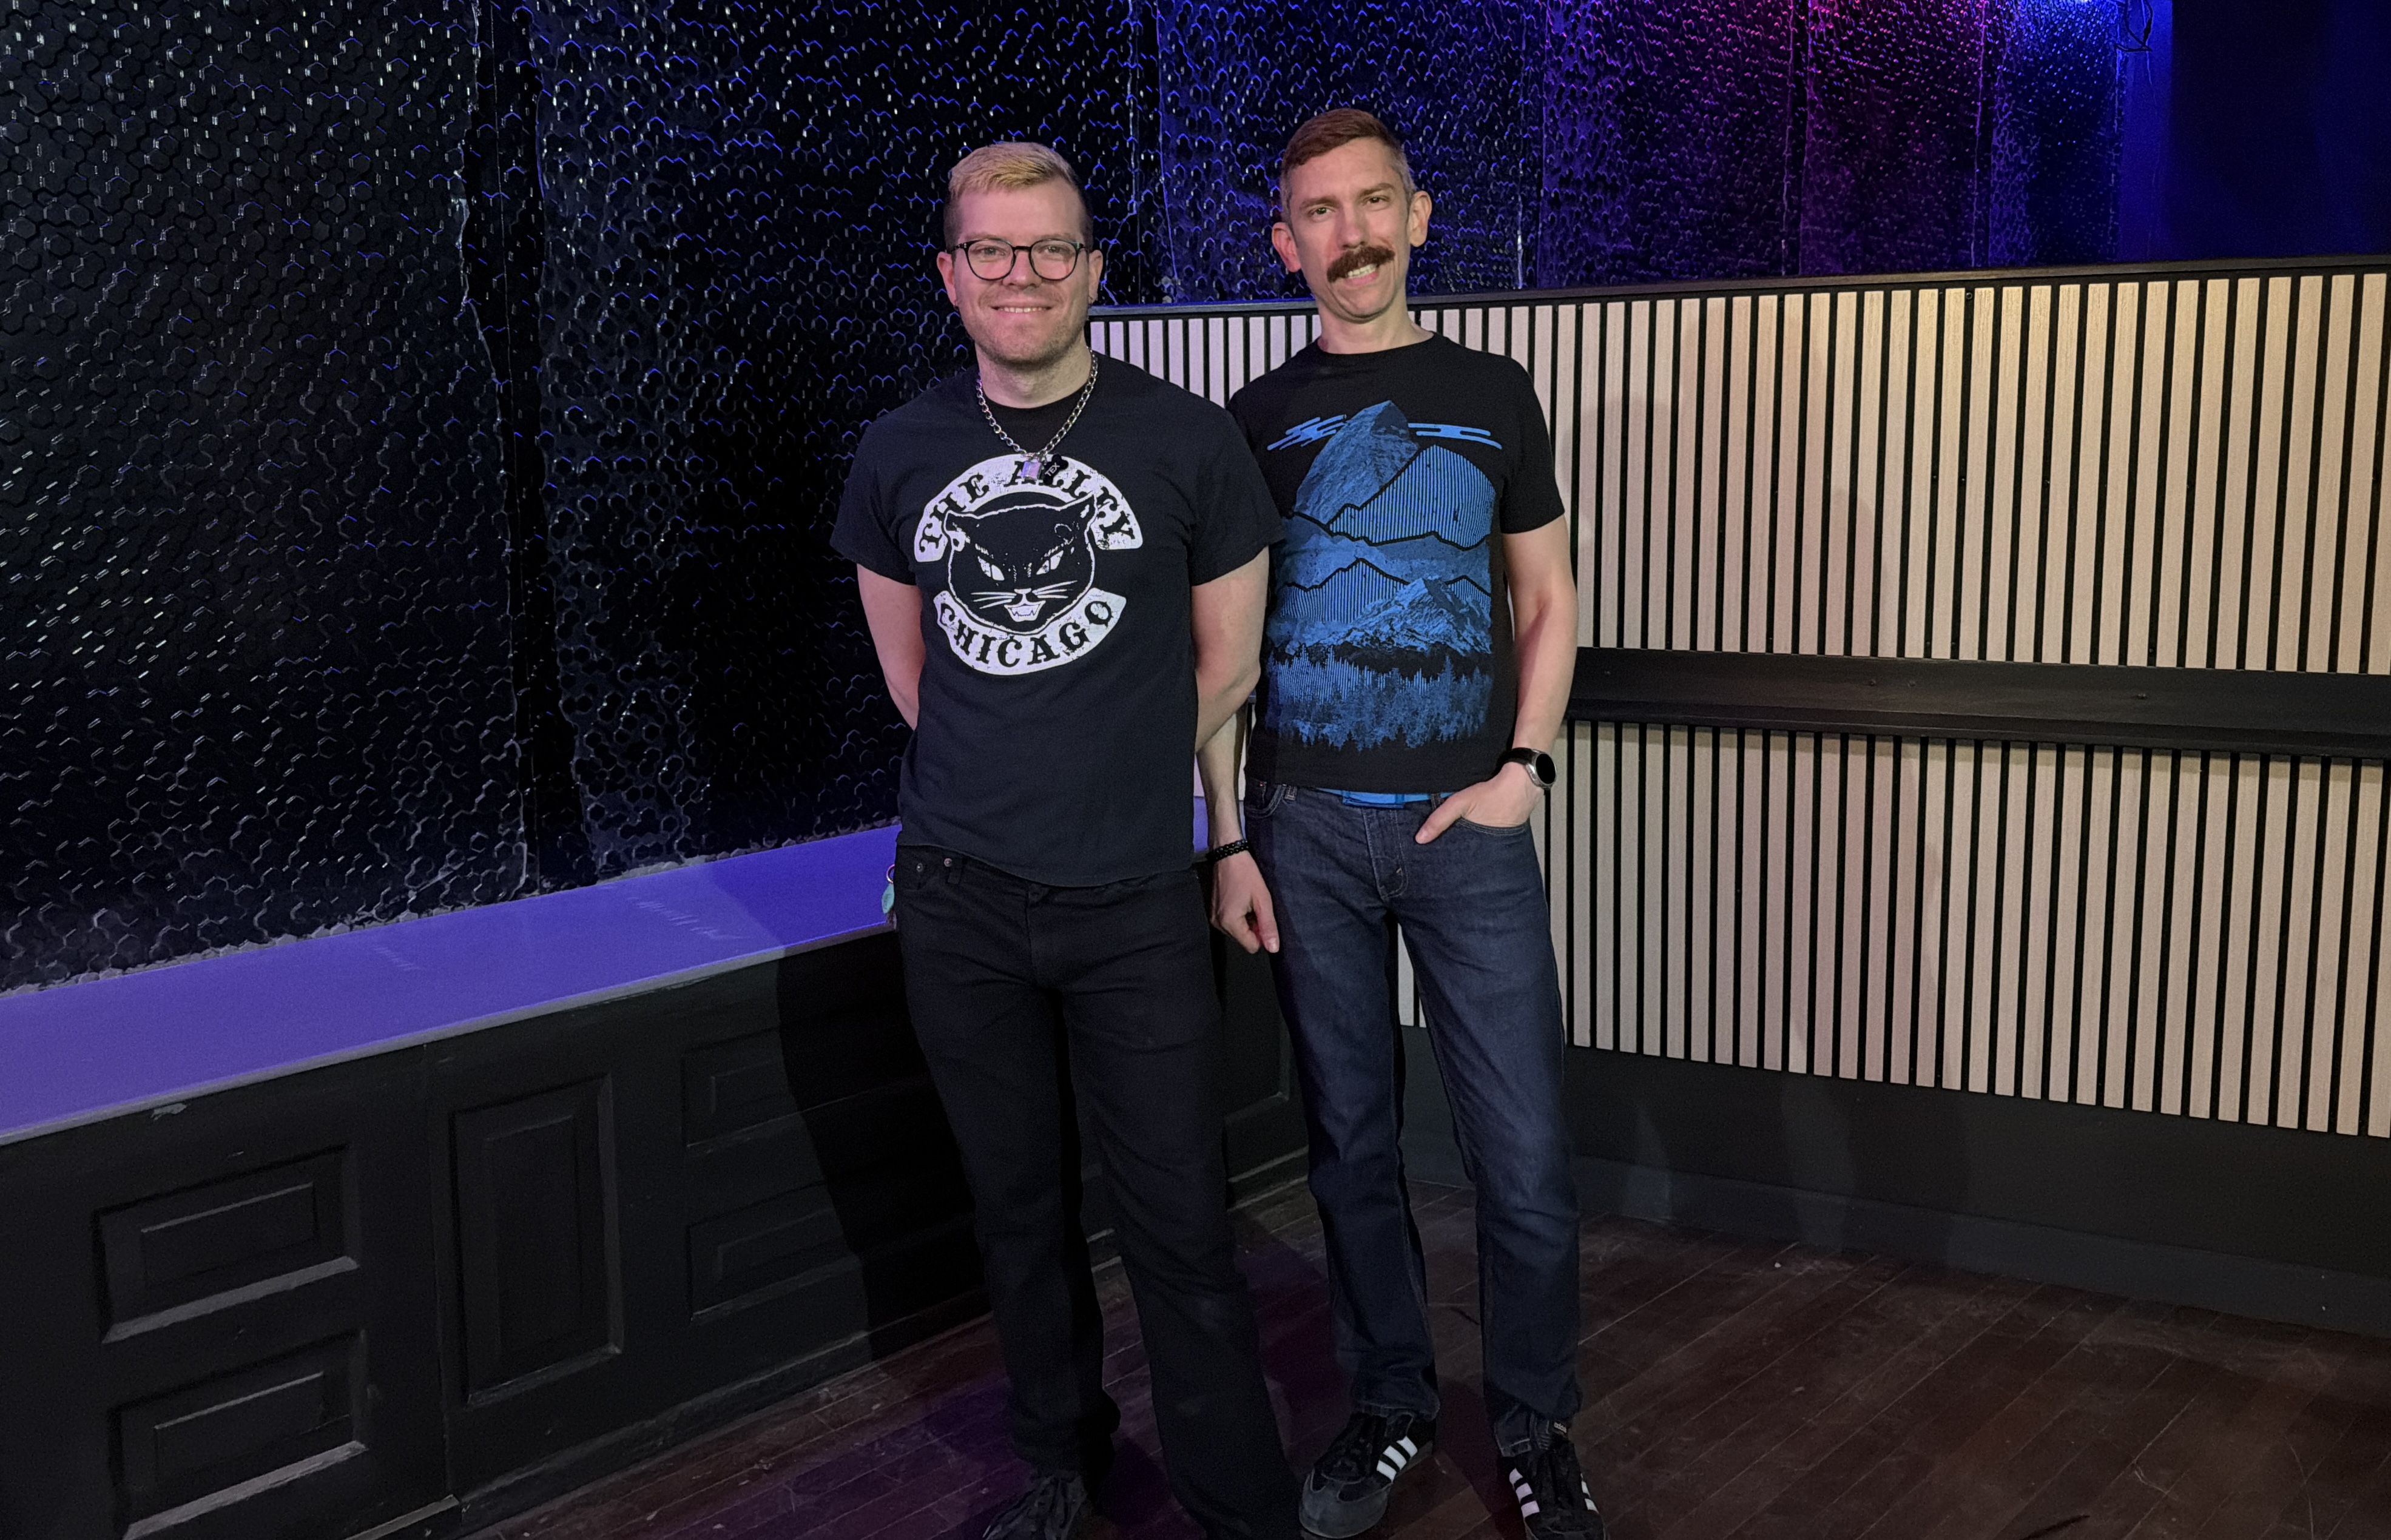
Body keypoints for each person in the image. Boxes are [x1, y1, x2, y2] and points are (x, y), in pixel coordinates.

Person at [833, 142, 1301, 1540]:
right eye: (991, 250)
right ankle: (1060, 1459)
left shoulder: (1186, 441)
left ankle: (1238, 1505)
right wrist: (1012, 774)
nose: (1021, 274)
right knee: (1018, 1216)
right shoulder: (900, 449)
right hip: (962, 896)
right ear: (949, 275)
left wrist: (1209, 832)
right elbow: (915, 679)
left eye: (1049, 249)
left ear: (1096, 269)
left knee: (1181, 1229)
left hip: (1135, 899)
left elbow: (1227, 671)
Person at [1196, 109, 1602, 1539]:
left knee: (1526, 1155)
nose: (1352, 233)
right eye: (1321, 211)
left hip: (1467, 828)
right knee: (1350, 1145)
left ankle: (1539, 1419)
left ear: (1420, 216)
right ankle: (1392, 1399)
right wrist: (1231, 833)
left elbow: (1548, 602)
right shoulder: (1249, 420)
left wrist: (1523, 772)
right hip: (1302, 827)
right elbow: (1224, 653)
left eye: (1375, 203)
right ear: (1285, 240)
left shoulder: (1497, 394)